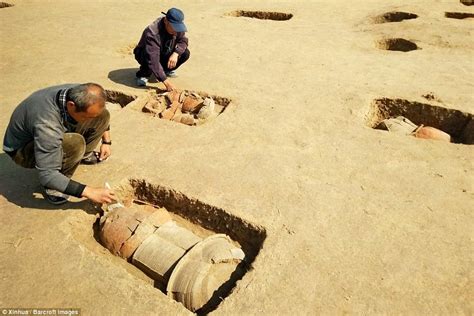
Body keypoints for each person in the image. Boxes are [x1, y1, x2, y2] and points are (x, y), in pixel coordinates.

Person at [3, 83, 116, 205]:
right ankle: (54, 187)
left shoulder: (78, 93)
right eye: (86, 117)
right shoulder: (47, 124)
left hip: (44, 134)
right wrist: (90, 192)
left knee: (103, 115)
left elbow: (98, 113)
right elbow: (47, 175)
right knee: (75, 143)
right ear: (71, 106)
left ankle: (84, 155)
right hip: (22, 151)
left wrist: (106, 142)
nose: (90, 121)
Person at [134, 7, 190, 91]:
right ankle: (144, 74)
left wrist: (176, 53)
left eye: (177, 27)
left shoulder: (177, 27)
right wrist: (166, 82)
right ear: (165, 21)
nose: (176, 31)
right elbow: (153, 59)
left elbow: (183, 41)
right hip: (145, 54)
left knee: (185, 53)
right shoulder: (153, 32)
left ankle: (165, 70)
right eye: (173, 27)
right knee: (148, 57)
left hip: (164, 50)